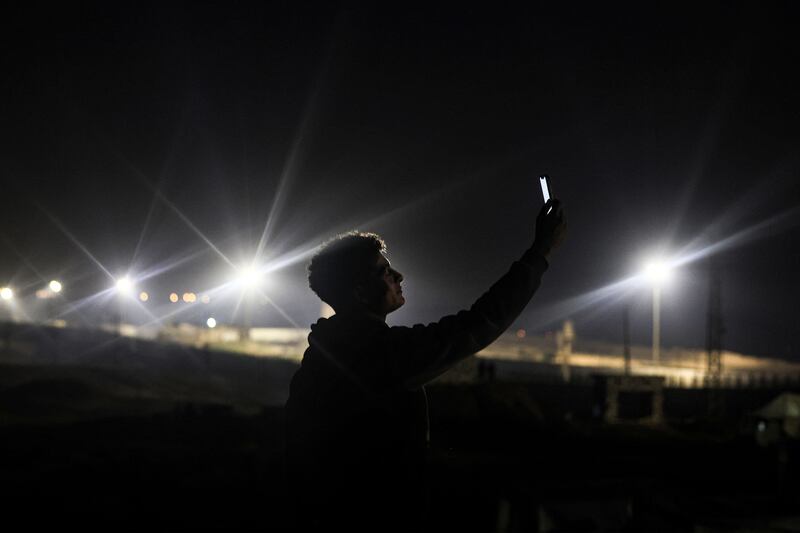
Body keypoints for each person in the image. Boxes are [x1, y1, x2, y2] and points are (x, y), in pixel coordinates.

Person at [285, 199, 566, 531]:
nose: (398, 276)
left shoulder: (326, 353)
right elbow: (476, 325)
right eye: (385, 272)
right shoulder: (375, 354)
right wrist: (539, 253)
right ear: (360, 291)